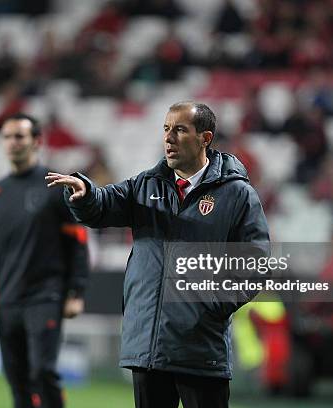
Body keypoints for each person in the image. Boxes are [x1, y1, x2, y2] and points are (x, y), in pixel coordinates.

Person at [46, 101, 270, 408]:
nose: (169, 138)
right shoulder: (146, 184)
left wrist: (211, 306)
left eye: (180, 130)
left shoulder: (237, 194)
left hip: (200, 347)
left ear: (205, 138)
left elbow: (254, 263)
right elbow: (104, 205)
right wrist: (85, 194)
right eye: (166, 129)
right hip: (149, 347)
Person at [0, 113, 89, 408]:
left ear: (36, 141)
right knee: (17, 379)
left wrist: (76, 292)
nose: (12, 142)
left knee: (42, 371)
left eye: (19, 136)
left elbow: (78, 245)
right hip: (7, 299)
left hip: (45, 296)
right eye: (7, 137)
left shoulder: (54, 186)